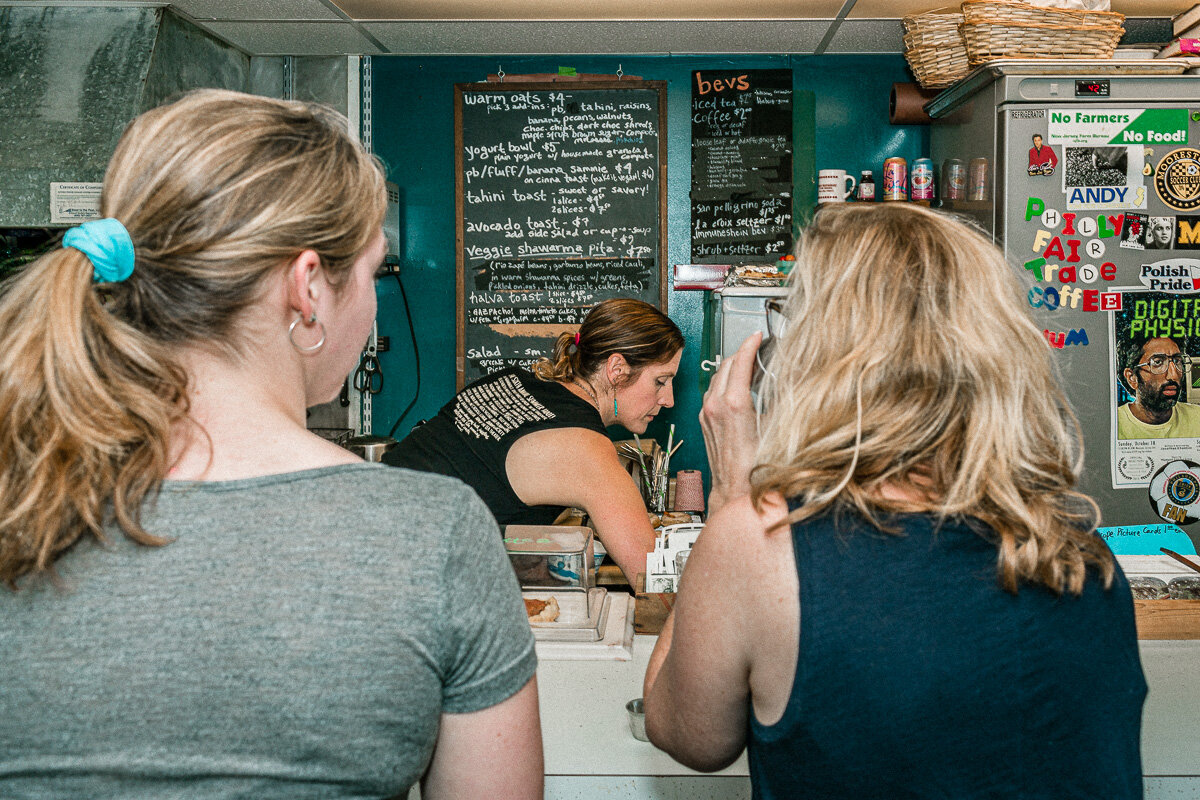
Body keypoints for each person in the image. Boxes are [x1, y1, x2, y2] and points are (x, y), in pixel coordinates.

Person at [0, 89, 541, 799]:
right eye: (372, 272)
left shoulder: (17, 495)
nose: (373, 301)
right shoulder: (430, 533)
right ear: (307, 287)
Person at [643, 203, 1146, 798]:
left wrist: (731, 492)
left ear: (817, 354)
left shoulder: (764, 543)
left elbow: (686, 734)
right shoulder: (1079, 552)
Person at [385, 298, 684, 583]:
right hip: (396, 572)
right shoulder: (588, 451)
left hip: (363, 526)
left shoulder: (511, 380)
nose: (668, 399)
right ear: (617, 370)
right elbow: (654, 578)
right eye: (660, 381)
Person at [1118, 334, 1200, 439]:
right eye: (1158, 362)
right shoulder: (1113, 425)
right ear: (1132, 377)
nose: (1173, 375)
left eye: (1177, 361)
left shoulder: (1197, 418)